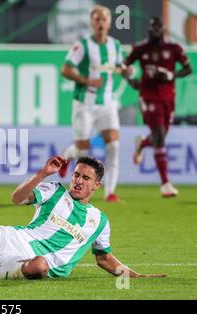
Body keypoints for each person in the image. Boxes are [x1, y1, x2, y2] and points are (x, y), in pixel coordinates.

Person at [0, 156, 166, 280]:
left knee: (38, 266)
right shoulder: (54, 191)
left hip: (41, 263)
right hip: (14, 239)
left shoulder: (100, 221)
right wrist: (42, 173)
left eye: (86, 178)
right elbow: (17, 198)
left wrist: (136, 275)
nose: (78, 181)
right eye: (76, 175)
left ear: (96, 186)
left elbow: (104, 257)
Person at [59, 5, 130, 203]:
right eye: (97, 19)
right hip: (85, 103)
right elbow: (65, 69)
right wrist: (87, 80)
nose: (100, 23)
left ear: (109, 22)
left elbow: (119, 66)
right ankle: (66, 156)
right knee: (82, 150)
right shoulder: (83, 45)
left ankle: (110, 193)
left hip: (107, 103)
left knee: (114, 146)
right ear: (92, 22)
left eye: (104, 19)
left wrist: (126, 70)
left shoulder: (115, 45)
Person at [124, 17, 192, 198]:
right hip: (148, 96)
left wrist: (172, 74)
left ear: (163, 29)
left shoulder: (174, 48)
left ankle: (142, 144)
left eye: (158, 27)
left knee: (159, 136)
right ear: (149, 28)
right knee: (160, 135)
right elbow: (124, 66)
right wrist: (131, 80)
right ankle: (165, 184)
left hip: (168, 98)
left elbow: (188, 69)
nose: (155, 30)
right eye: (153, 26)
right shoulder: (140, 48)